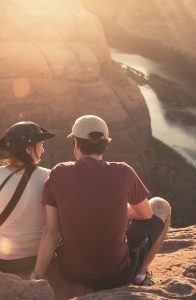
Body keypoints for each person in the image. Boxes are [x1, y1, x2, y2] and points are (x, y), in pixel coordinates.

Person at [31, 115, 171, 288]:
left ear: (76, 145)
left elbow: (52, 230)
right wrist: (122, 210)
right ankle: (140, 277)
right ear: (105, 145)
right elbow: (146, 214)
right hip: (116, 276)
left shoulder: (58, 173)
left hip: (72, 273)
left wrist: (36, 277)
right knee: (161, 205)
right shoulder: (124, 172)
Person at [0, 121, 55, 272]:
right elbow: (53, 227)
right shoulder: (50, 176)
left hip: (3, 261)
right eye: (41, 145)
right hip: (38, 258)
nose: (43, 150)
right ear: (29, 149)